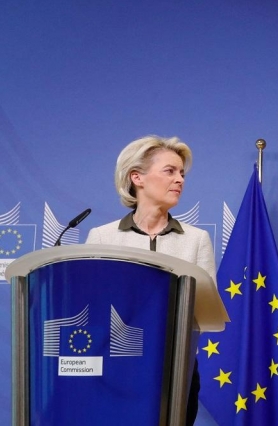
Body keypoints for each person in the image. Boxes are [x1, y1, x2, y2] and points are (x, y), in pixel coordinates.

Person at [86, 135, 215, 424]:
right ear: (137, 177)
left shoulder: (197, 240)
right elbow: (94, 306)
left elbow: (205, 310)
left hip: (176, 367)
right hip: (117, 366)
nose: (180, 179)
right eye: (170, 171)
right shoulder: (102, 237)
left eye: (182, 173)